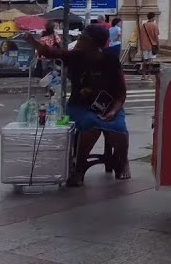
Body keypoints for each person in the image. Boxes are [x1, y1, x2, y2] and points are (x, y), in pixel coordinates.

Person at [25, 23, 129, 184]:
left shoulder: (111, 61)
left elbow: (121, 94)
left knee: (119, 129)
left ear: (92, 43)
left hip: (109, 105)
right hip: (80, 105)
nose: (79, 40)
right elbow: (50, 52)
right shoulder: (75, 56)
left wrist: (114, 111)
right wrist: (32, 41)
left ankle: (122, 161)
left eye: (83, 38)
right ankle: (79, 167)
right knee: (91, 124)